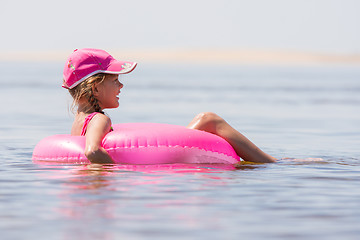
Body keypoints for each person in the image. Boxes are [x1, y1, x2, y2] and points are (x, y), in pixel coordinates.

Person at [63, 48, 276, 164]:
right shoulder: (100, 119)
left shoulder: (78, 120)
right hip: (156, 163)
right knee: (210, 119)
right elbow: (92, 151)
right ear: (96, 88)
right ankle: (269, 162)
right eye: (115, 80)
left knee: (205, 120)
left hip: (151, 159)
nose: (121, 85)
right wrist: (121, 177)